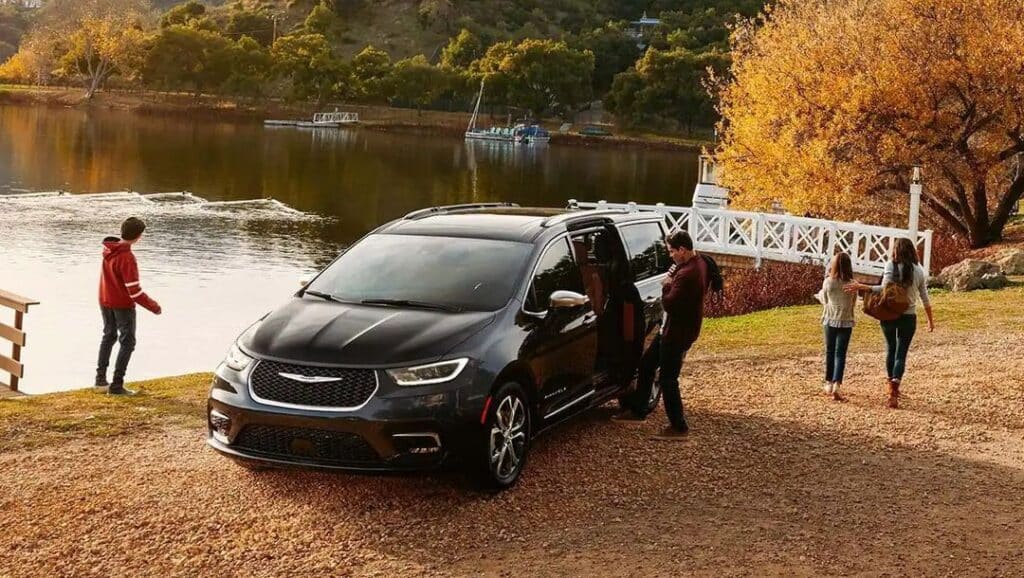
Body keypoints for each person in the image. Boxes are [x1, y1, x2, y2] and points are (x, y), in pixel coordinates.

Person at [614, 231, 709, 439]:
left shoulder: (688, 274)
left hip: (676, 334)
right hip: (672, 330)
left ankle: (679, 427)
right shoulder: (697, 262)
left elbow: (670, 303)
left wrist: (666, 286)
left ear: (682, 250)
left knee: (668, 379)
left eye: (672, 251)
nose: (670, 255)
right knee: (647, 364)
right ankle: (639, 410)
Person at [845, 237, 934, 408]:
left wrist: (864, 287)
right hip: (909, 316)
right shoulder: (919, 270)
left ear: (896, 250)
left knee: (891, 349)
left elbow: (883, 288)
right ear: (912, 251)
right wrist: (930, 321)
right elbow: (925, 297)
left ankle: (890, 388)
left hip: (888, 314)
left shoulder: (890, 266)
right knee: (901, 353)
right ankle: (895, 385)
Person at [96, 217, 162, 395]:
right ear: (139, 236)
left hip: (105, 299)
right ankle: (117, 386)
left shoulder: (109, 250)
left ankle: (100, 380)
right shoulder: (127, 257)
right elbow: (134, 292)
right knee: (128, 342)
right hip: (122, 305)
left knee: (108, 336)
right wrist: (154, 307)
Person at [817, 252, 856, 402]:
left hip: (829, 320)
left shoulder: (828, 282)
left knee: (830, 351)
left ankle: (828, 382)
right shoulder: (853, 284)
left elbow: (825, 300)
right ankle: (837, 385)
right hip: (846, 322)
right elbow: (852, 303)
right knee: (841, 354)